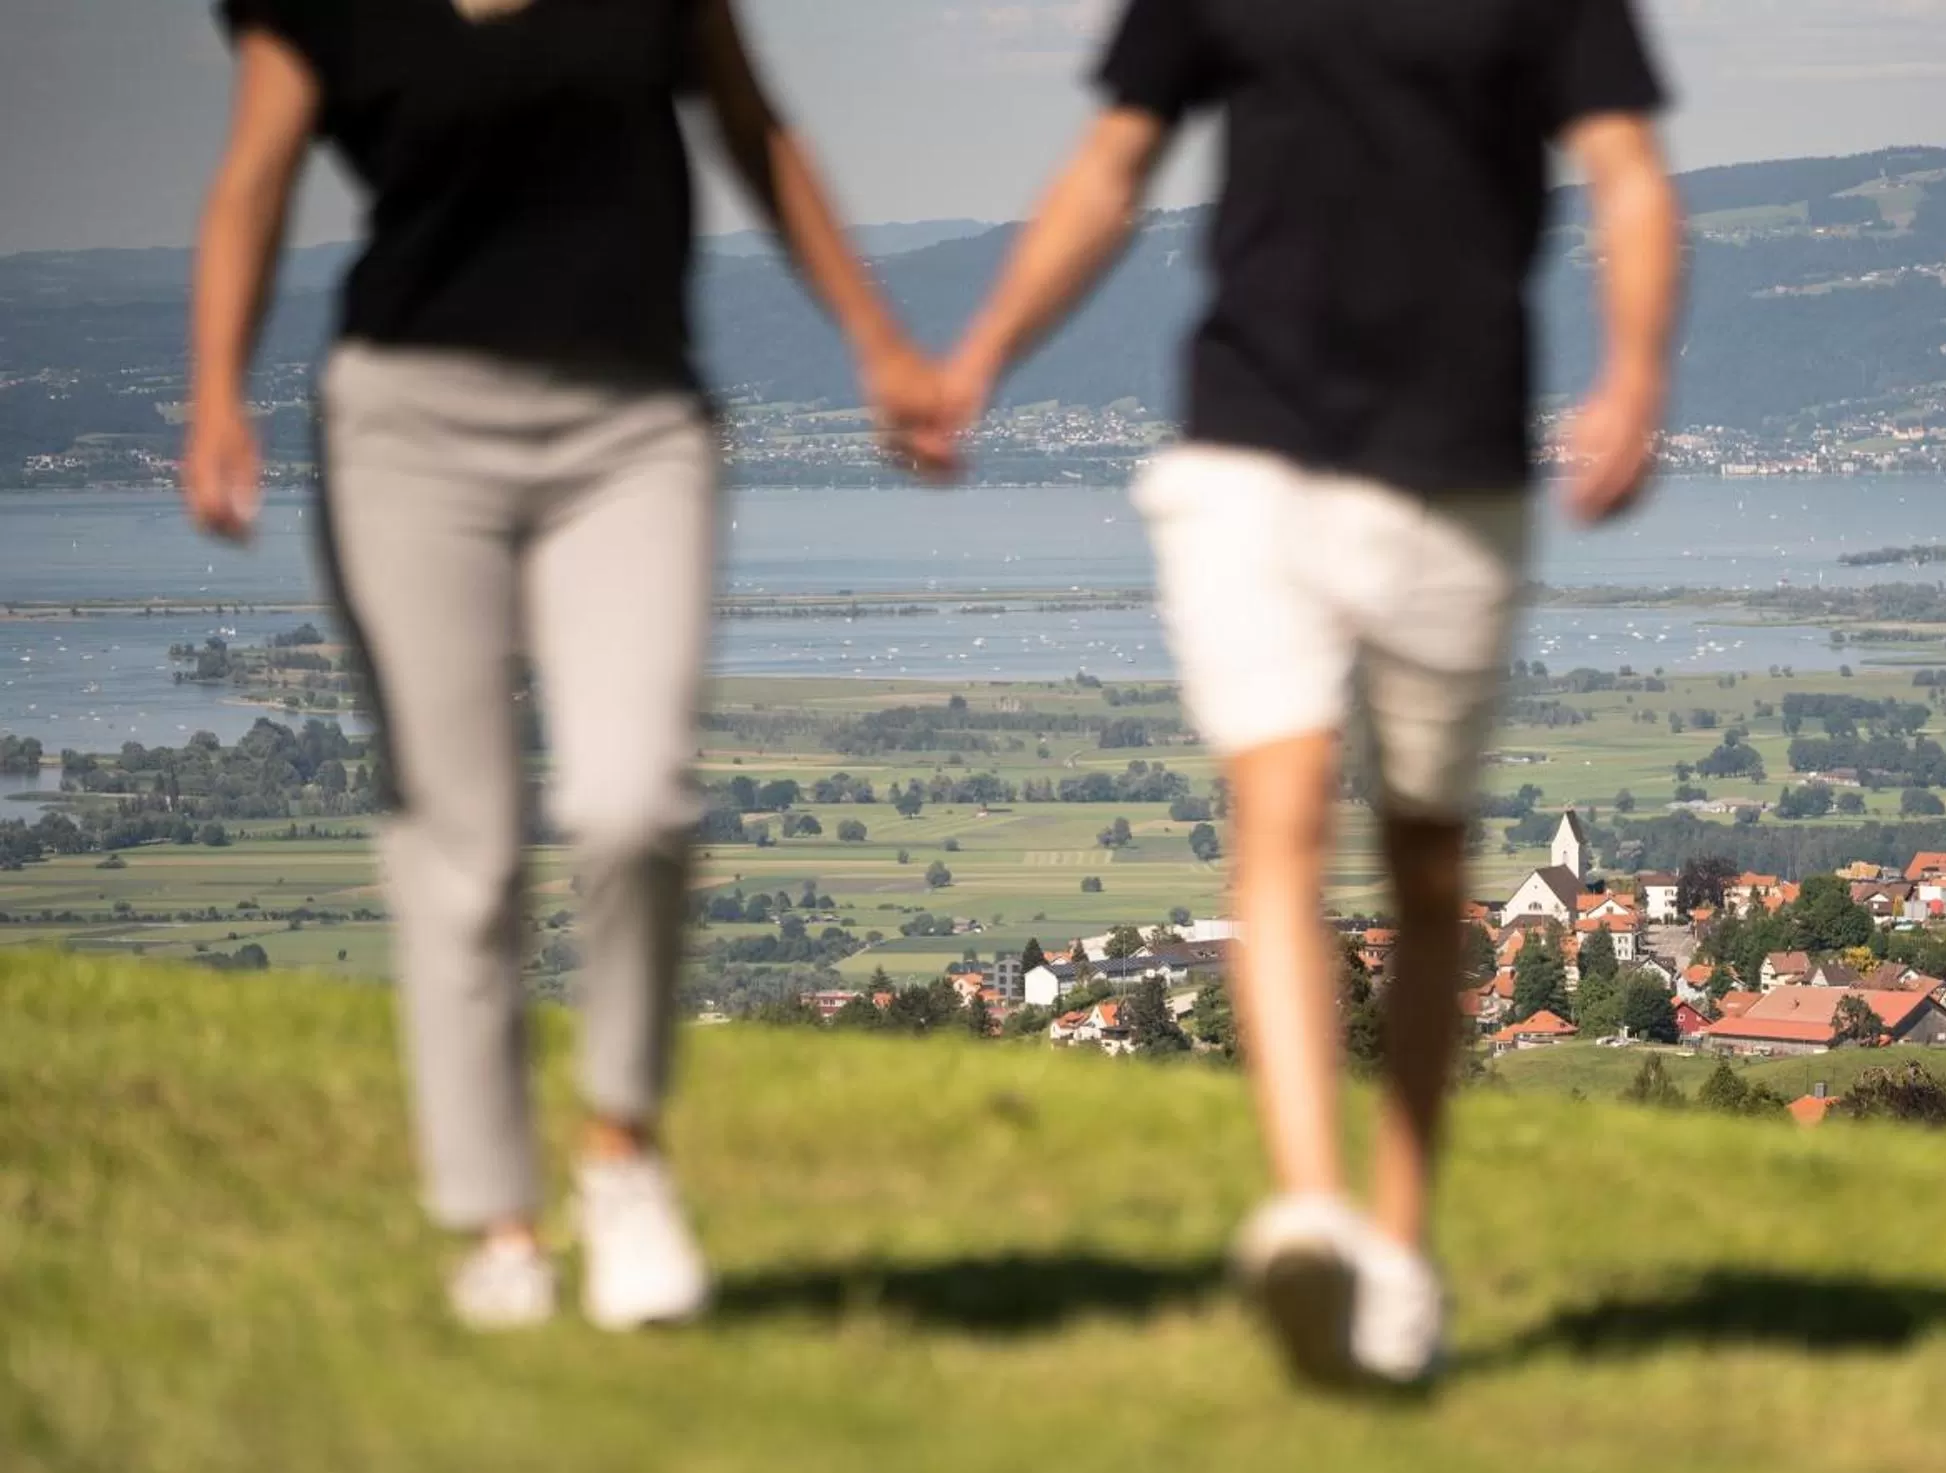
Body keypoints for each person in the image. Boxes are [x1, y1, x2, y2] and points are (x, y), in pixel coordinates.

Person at [924, 0, 1684, 1386]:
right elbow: (1112, 164)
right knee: (1275, 810)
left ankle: (1396, 1247)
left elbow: (1627, 172)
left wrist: (1636, 373)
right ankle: (1309, 1209)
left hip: (1456, 460)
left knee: (1425, 851)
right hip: (1249, 445)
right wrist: (979, 357)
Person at [187, 0, 935, 1331]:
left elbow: (757, 131)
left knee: (635, 803)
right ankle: (501, 1230)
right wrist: (215, 395)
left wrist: (876, 339)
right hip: (409, 432)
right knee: (460, 849)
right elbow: (252, 179)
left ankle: (622, 1158)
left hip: (632, 425)